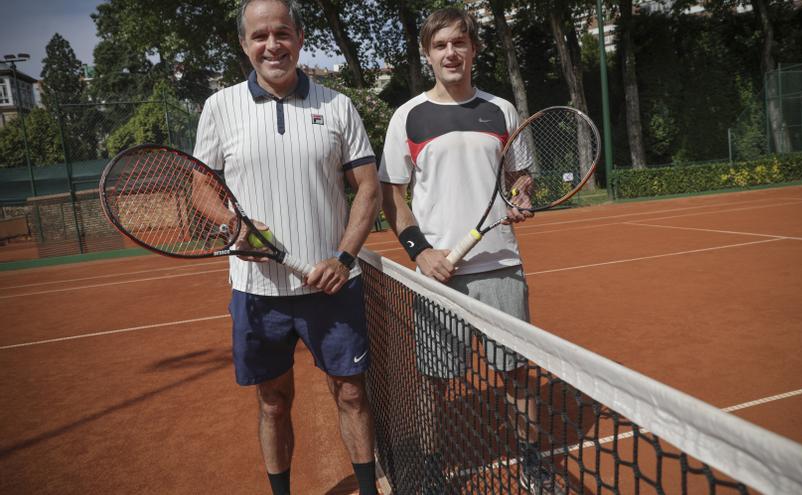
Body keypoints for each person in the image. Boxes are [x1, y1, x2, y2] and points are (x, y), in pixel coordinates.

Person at [192, 1, 380, 494]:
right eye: (259, 36)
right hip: (256, 290)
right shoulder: (220, 107)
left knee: (352, 394)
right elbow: (200, 188)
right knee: (272, 400)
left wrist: (344, 259)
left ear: (299, 37)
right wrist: (234, 225)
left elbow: (368, 187)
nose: (271, 45)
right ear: (244, 45)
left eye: (282, 33)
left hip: (333, 288)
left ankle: (365, 488)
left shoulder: (337, 105)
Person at [378, 7, 563, 495]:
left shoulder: (501, 110)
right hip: (437, 274)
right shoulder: (408, 116)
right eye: (440, 46)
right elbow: (391, 194)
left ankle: (531, 462)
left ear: (474, 49)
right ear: (427, 54)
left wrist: (522, 194)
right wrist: (420, 252)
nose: (450, 53)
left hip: (501, 265)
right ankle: (434, 467)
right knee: (433, 385)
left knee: (516, 376)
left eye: (459, 43)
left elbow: (519, 177)